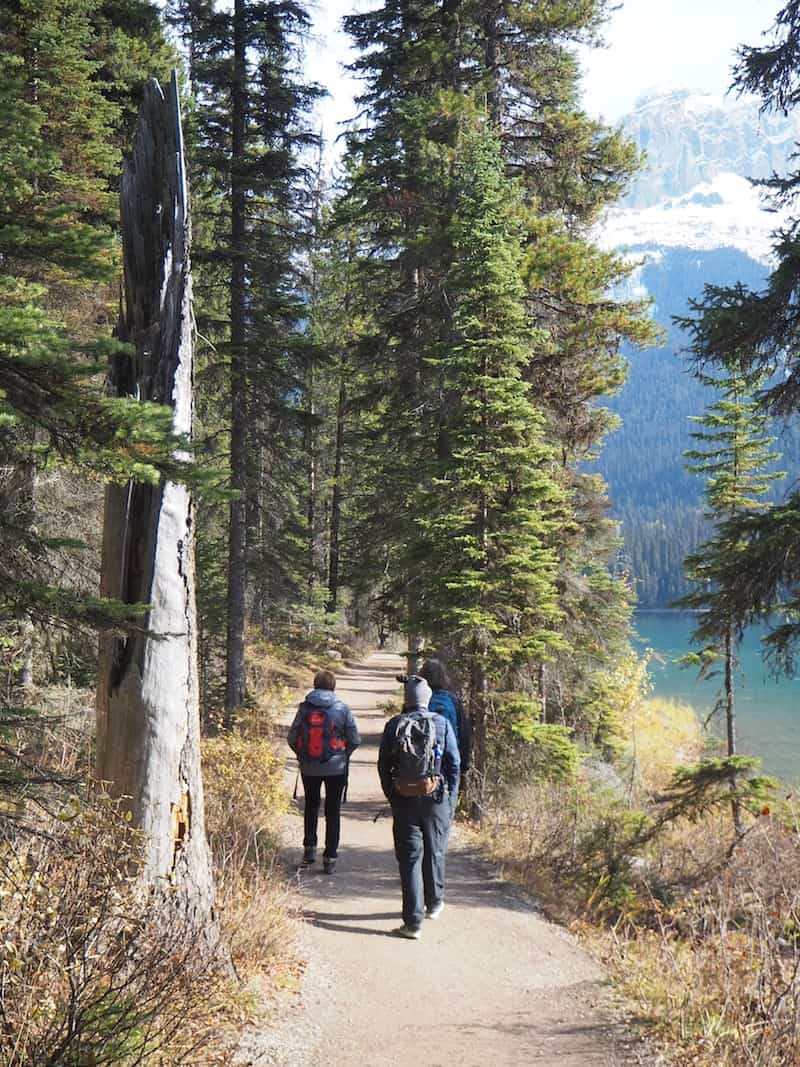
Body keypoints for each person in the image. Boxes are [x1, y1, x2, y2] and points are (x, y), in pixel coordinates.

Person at [378, 676, 460, 939]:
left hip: (404, 799)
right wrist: (450, 798)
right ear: (427, 699)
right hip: (436, 798)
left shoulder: (394, 725)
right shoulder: (442, 723)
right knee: (435, 850)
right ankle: (434, 903)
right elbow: (454, 764)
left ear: (407, 699)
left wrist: (393, 796)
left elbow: (383, 766)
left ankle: (413, 923)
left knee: (410, 859)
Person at [287, 669, 360, 874]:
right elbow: (355, 739)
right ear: (333, 686)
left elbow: (292, 737)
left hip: (309, 767)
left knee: (311, 806)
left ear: (315, 685)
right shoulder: (342, 708)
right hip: (336, 767)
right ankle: (330, 857)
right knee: (333, 810)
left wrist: (302, 754)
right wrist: (343, 755)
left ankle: (309, 850)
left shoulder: (304, 708)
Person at [419, 657, 472, 782]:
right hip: (447, 763)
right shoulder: (452, 701)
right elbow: (464, 736)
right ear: (443, 677)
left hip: (419, 764)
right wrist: (463, 767)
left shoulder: (417, 701)